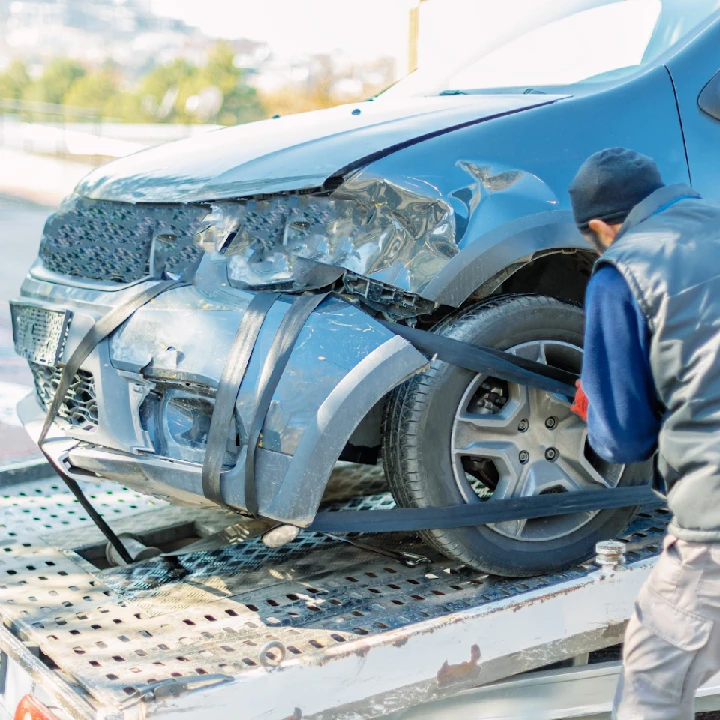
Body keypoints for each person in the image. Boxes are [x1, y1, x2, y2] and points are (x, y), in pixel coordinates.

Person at [567, 147, 720, 720]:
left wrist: (598, 404)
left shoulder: (623, 270)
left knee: (651, 691)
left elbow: (622, 441)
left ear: (603, 228)